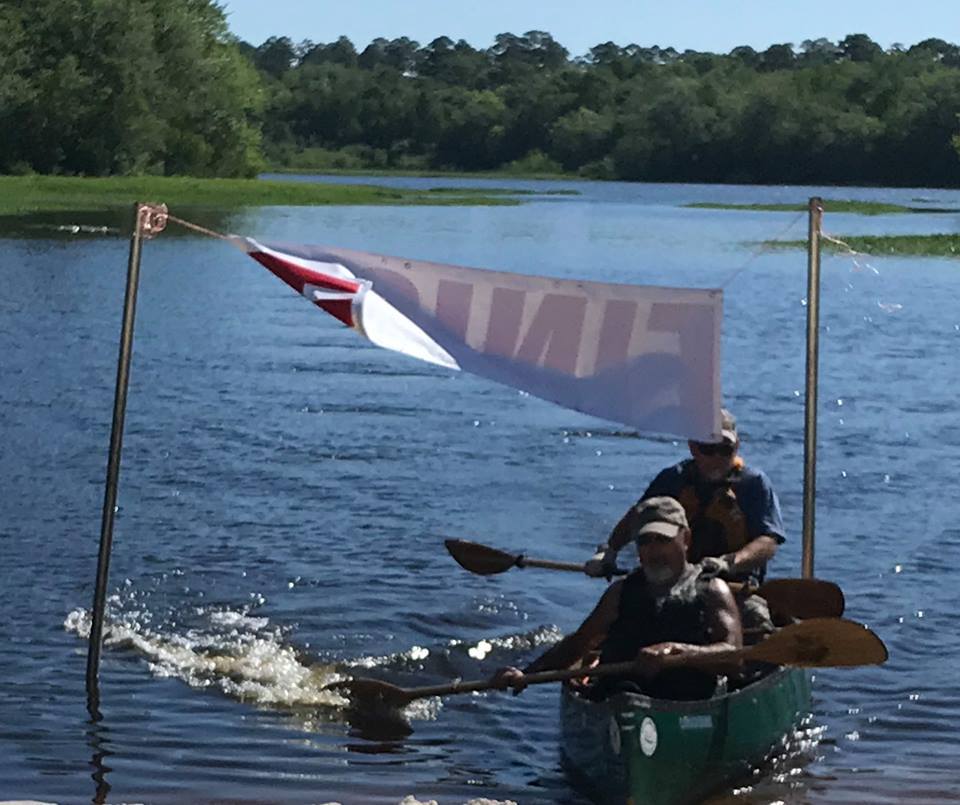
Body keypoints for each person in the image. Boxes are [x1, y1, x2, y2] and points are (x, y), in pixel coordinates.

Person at [493, 497, 742, 701]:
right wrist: (526, 673)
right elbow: (579, 644)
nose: (654, 551)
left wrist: (678, 651)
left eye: (663, 540)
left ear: (685, 539)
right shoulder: (621, 592)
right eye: (645, 541)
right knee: (623, 693)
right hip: (620, 696)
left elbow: (734, 657)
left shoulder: (712, 590)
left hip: (685, 701)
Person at [585, 409, 785, 634]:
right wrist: (609, 552)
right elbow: (637, 516)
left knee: (756, 621)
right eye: (708, 448)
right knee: (620, 621)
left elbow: (768, 541)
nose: (717, 458)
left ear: (736, 446)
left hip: (734, 584)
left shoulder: (754, 484)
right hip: (671, 581)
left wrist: (729, 562)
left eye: (724, 449)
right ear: (693, 447)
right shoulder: (673, 479)